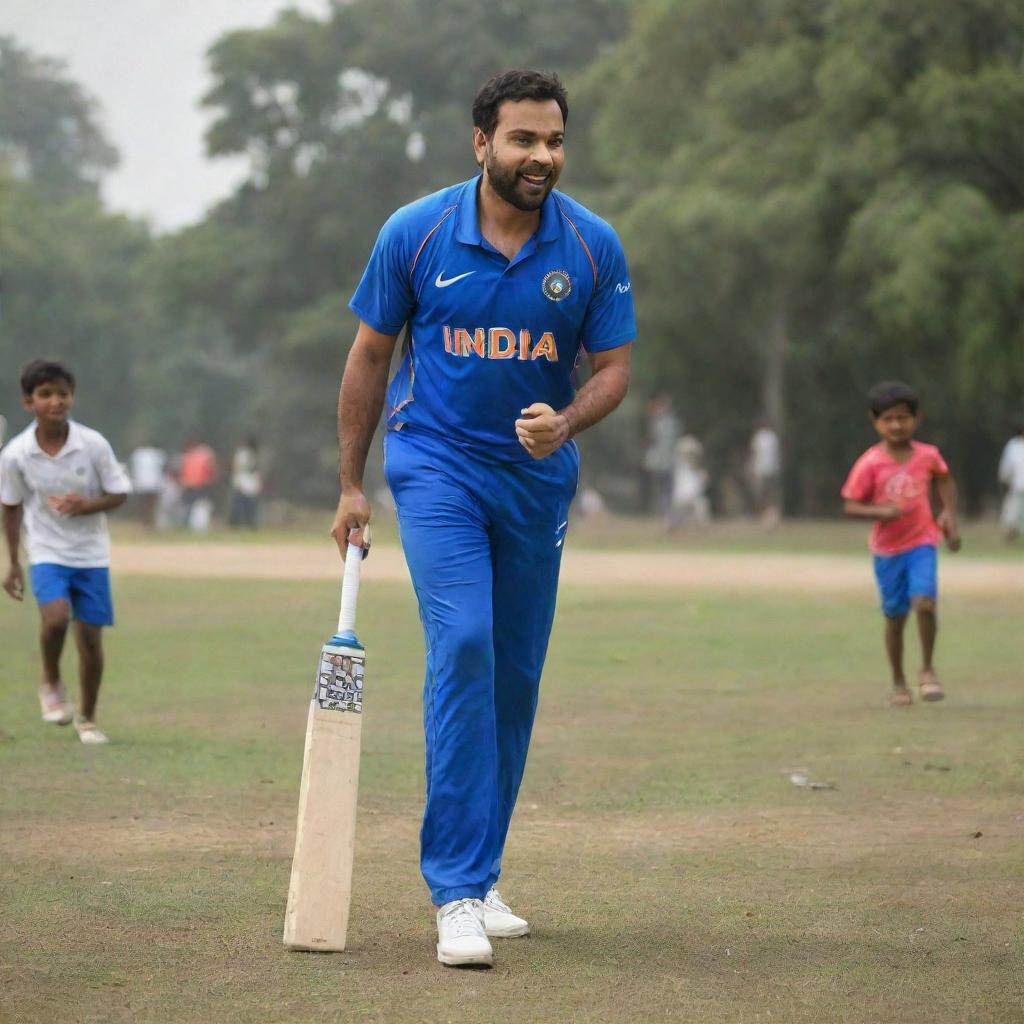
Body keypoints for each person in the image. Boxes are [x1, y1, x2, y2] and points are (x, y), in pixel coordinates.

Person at [331, 70, 635, 968]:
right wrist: (352, 486)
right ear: (481, 143)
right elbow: (368, 359)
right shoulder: (416, 233)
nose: (541, 156)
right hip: (434, 467)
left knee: (514, 676)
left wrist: (567, 419)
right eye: (522, 140)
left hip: (536, 481)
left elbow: (613, 369)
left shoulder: (590, 246)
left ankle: (483, 868)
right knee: (463, 642)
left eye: (554, 141)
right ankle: (455, 892)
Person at [1, 360, 131, 743]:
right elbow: (10, 506)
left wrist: (85, 505)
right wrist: (12, 562)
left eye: (63, 393)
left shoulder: (92, 444)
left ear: (72, 397)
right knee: (56, 619)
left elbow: (119, 492)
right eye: (45, 394)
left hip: (90, 554)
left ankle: (87, 719)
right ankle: (51, 680)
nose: (56, 401)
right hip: (46, 550)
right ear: (29, 402)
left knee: (90, 638)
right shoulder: (16, 455)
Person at [841, 381, 960, 707]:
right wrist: (880, 511)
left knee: (925, 603)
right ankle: (898, 681)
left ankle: (928, 670)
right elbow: (850, 504)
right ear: (875, 421)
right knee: (895, 617)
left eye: (903, 418)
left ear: (916, 418)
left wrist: (949, 514)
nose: (896, 425)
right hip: (887, 551)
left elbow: (944, 478)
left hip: (922, 542)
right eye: (888, 419)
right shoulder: (870, 463)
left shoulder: (928, 456)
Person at [641, 393, 679, 516]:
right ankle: (665, 512)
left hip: (663, 462)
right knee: (666, 489)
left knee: (665, 489)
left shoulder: (661, 423)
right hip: (665, 462)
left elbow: (652, 440)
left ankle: (665, 512)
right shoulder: (671, 422)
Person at [668, 434, 710, 528]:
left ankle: (703, 527)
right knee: (674, 519)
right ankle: (672, 526)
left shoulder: (699, 470)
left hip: (694, 498)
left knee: (702, 506)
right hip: (681, 498)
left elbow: (702, 483)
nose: (690, 456)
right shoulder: (679, 466)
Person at [178, 438, 217, 532]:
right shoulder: (205, 454)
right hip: (201, 484)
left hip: (190, 484)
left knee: (188, 506)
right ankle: (199, 527)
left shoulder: (188, 455)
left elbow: (183, 471)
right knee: (201, 506)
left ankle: (186, 525)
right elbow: (210, 469)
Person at [748, 419, 781, 526]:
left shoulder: (759, 437)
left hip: (761, 468)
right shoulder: (773, 437)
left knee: (762, 493)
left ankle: (765, 515)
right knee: (770, 493)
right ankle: (771, 514)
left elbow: (754, 453)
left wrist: (752, 467)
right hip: (772, 468)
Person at [128, 442, 166, 529]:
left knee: (146, 506)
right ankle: (146, 523)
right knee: (147, 506)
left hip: (146, 484)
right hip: (149, 484)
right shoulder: (156, 454)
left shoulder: (138, 454)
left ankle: (147, 523)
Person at [997, 421, 1024, 542]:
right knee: (1012, 513)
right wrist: (1005, 479)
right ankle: (1010, 538)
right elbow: (1007, 465)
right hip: (1017, 485)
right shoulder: (1013, 445)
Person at [228, 437, 262, 528]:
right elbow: (237, 468)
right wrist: (238, 482)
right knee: (238, 506)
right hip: (242, 483)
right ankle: (234, 524)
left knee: (250, 507)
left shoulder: (253, 455)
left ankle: (250, 524)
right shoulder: (243, 454)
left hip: (250, 485)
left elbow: (255, 472)